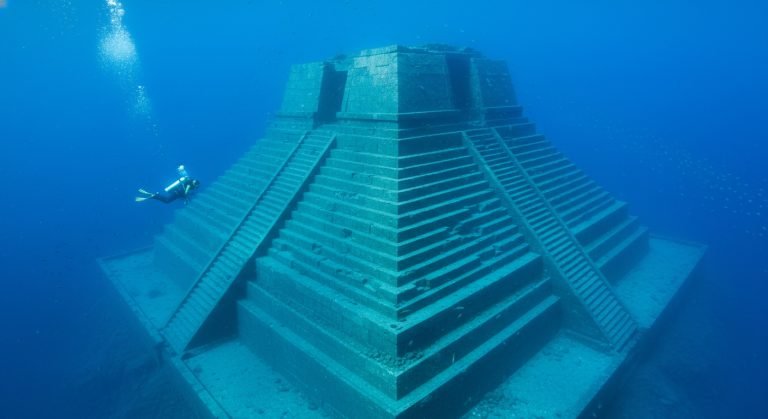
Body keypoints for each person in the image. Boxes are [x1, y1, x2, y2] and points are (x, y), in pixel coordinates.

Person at [136, 164, 200, 204]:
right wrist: (186, 198)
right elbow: (186, 192)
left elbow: (185, 190)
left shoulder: (189, 181)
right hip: (176, 193)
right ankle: (154, 196)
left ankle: (154, 195)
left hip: (176, 191)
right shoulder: (190, 184)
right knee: (167, 200)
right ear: (195, 184)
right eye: (196, 186)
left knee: (167, 200)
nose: (196, 187)